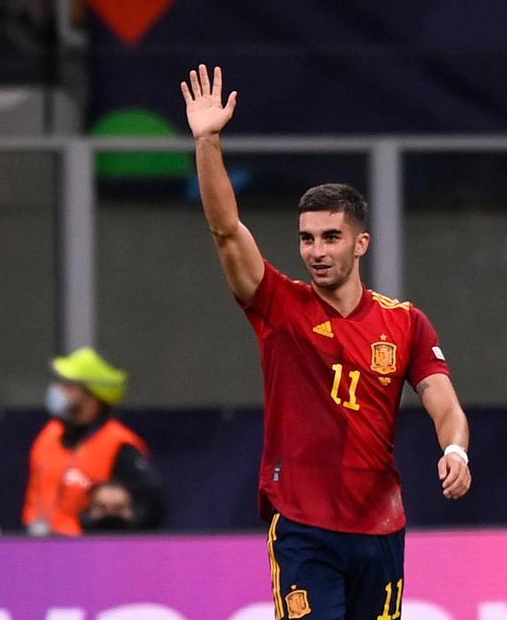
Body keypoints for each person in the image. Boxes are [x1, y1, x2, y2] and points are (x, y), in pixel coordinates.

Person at [181, 64, 472, 619]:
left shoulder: (406, 323)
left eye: (331, 237)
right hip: (303, 528)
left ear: (360, 243)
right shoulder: (278, 306)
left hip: (381, 529)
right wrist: (208, 141)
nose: (316, 250)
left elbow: (445, 405)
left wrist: (455, 448)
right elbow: (226, 230)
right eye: (307, 238)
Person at [23, 347, 165, 536]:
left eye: (68, 385)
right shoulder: (49, 436)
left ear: (91, 395)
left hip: (86, 552)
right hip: (33, 546)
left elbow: (151, 509)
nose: (58, 390)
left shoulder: (119, 445)